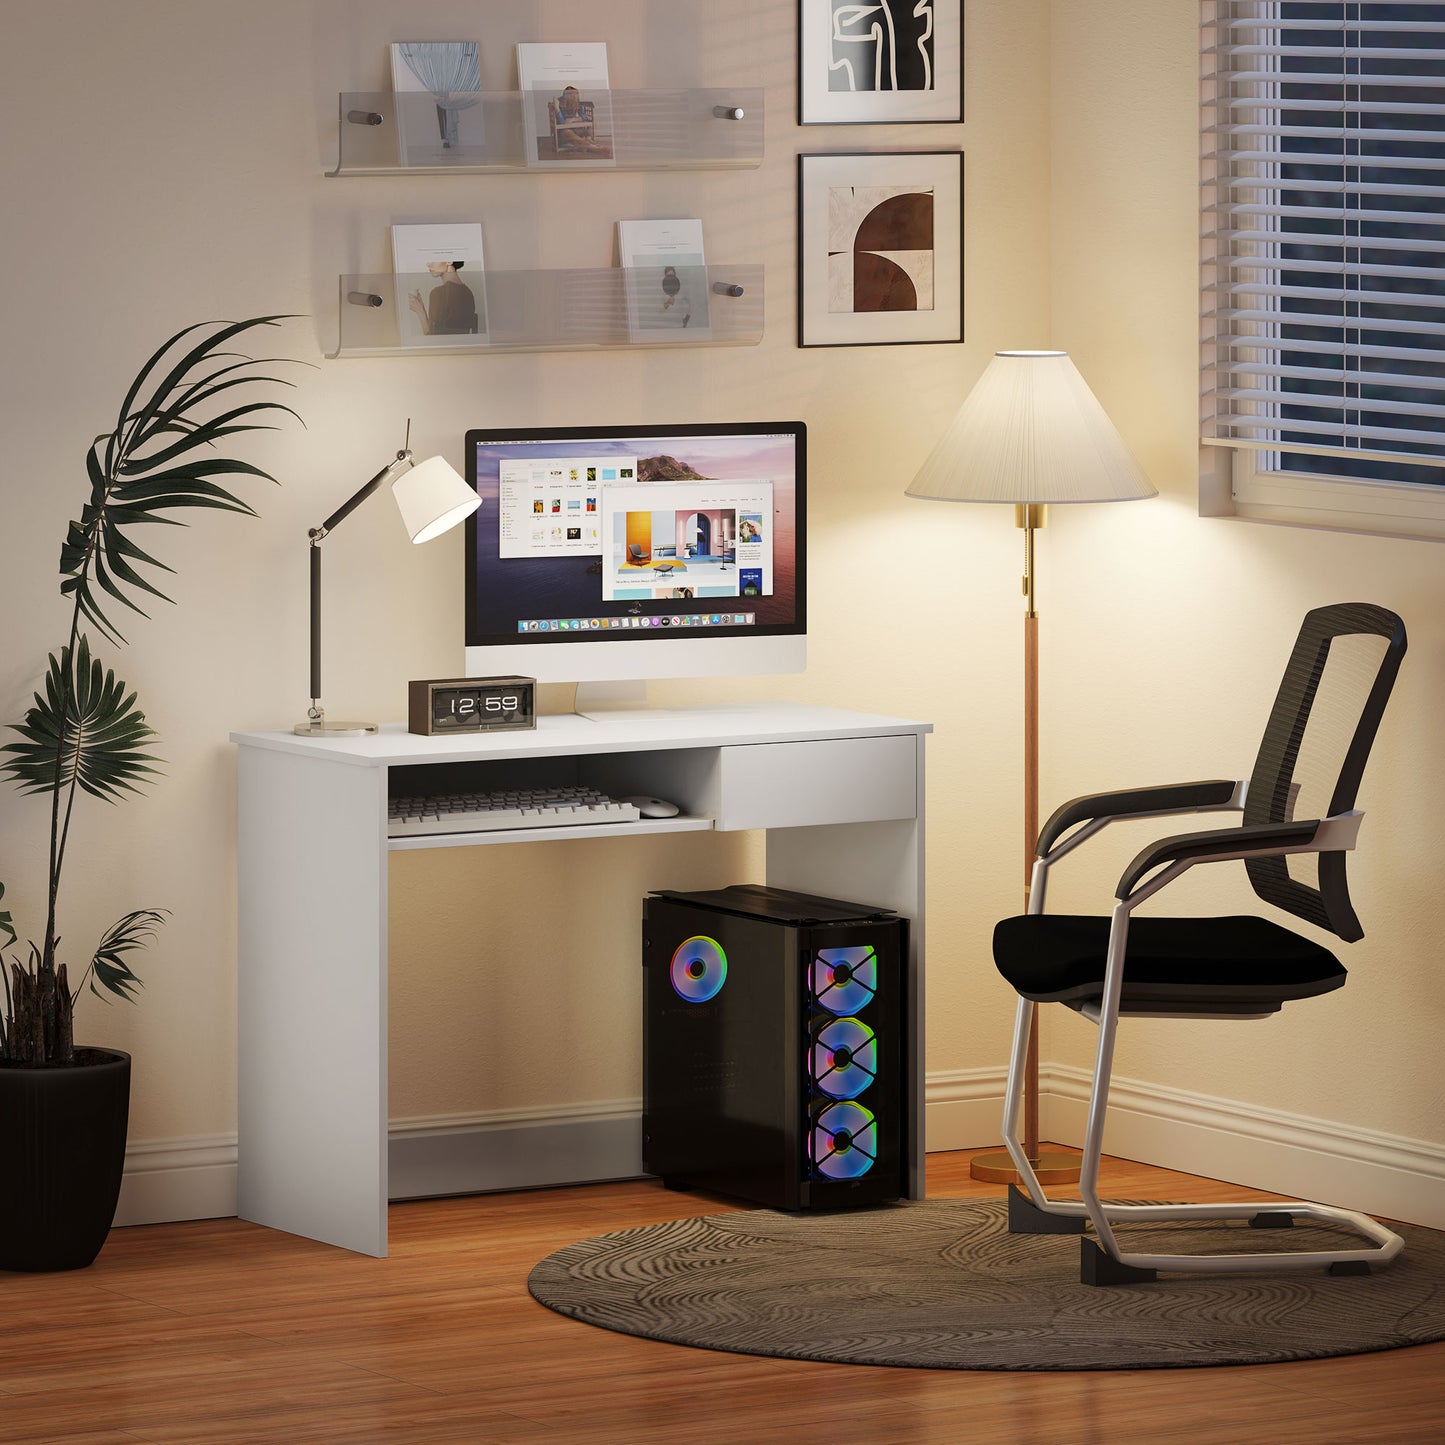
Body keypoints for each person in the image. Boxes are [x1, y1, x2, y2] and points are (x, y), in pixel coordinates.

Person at [408, 260, 477, 336]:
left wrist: (420, 311)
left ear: (449, 261)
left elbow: (432, 340)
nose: (428, 264)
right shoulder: (468, 292)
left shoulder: (437, 293)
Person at [552, 86, 610, 155]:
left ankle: (589, 144)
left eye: (576, 95)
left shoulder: (579, 106)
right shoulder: (561, 106)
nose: (574, 98)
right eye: (571, 96)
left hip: (578, 132)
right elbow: (562, 122)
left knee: (590, 126)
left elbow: (585, 117)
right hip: (567, 135)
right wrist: (557, 108)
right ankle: (594, 147)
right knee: (566, 132)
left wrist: (572, 120)